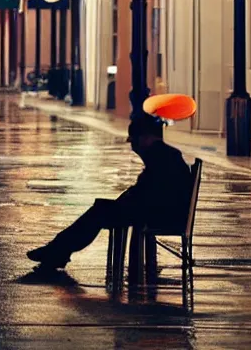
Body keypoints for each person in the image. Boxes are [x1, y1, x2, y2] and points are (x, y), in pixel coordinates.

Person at [27, 113, 194, 269]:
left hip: (161, 214)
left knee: (99, 212)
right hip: (163, 210)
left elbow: (147, 193)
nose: (133, 147)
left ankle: (57, 251)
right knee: (101, 209)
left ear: (146, 137)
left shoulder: (159, 156)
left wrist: (122, 202)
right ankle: (58, 250)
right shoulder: (165, 154)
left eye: (134, 141)